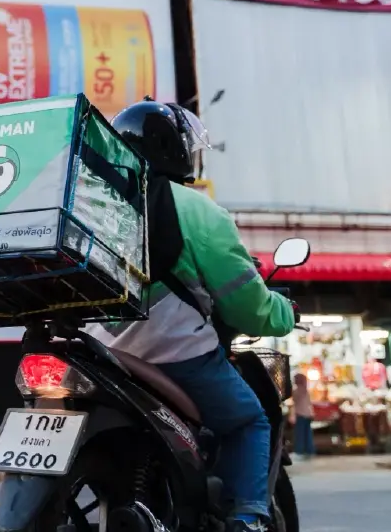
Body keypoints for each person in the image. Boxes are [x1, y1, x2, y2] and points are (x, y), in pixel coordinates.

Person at [90, 99, 296, 532]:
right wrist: (283, 313)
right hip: (174, 354)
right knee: (248, 420)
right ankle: (249, 520)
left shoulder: (94, 204)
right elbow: (247, 307)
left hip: (99, 354)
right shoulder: (197, 211)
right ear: (175, 150)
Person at [291, 372, 315, 460]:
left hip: (300, 414)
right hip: (308, 414)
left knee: (299, 434)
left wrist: (292, 415)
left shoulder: (297, 391)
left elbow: (294, 403)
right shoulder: (305, 390)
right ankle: (310, 450)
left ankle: (299, 451)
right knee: (308, 434)